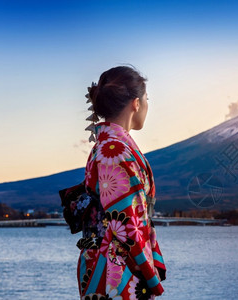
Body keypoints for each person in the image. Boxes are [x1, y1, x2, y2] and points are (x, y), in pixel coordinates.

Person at [77, 66, 166, 299]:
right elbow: (126, 221)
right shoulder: (113, 151)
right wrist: (149, 274)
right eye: (147, 99)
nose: (147, 105)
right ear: (136, 103)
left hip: (113, 259)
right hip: (117, 267)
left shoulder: (110, 147)